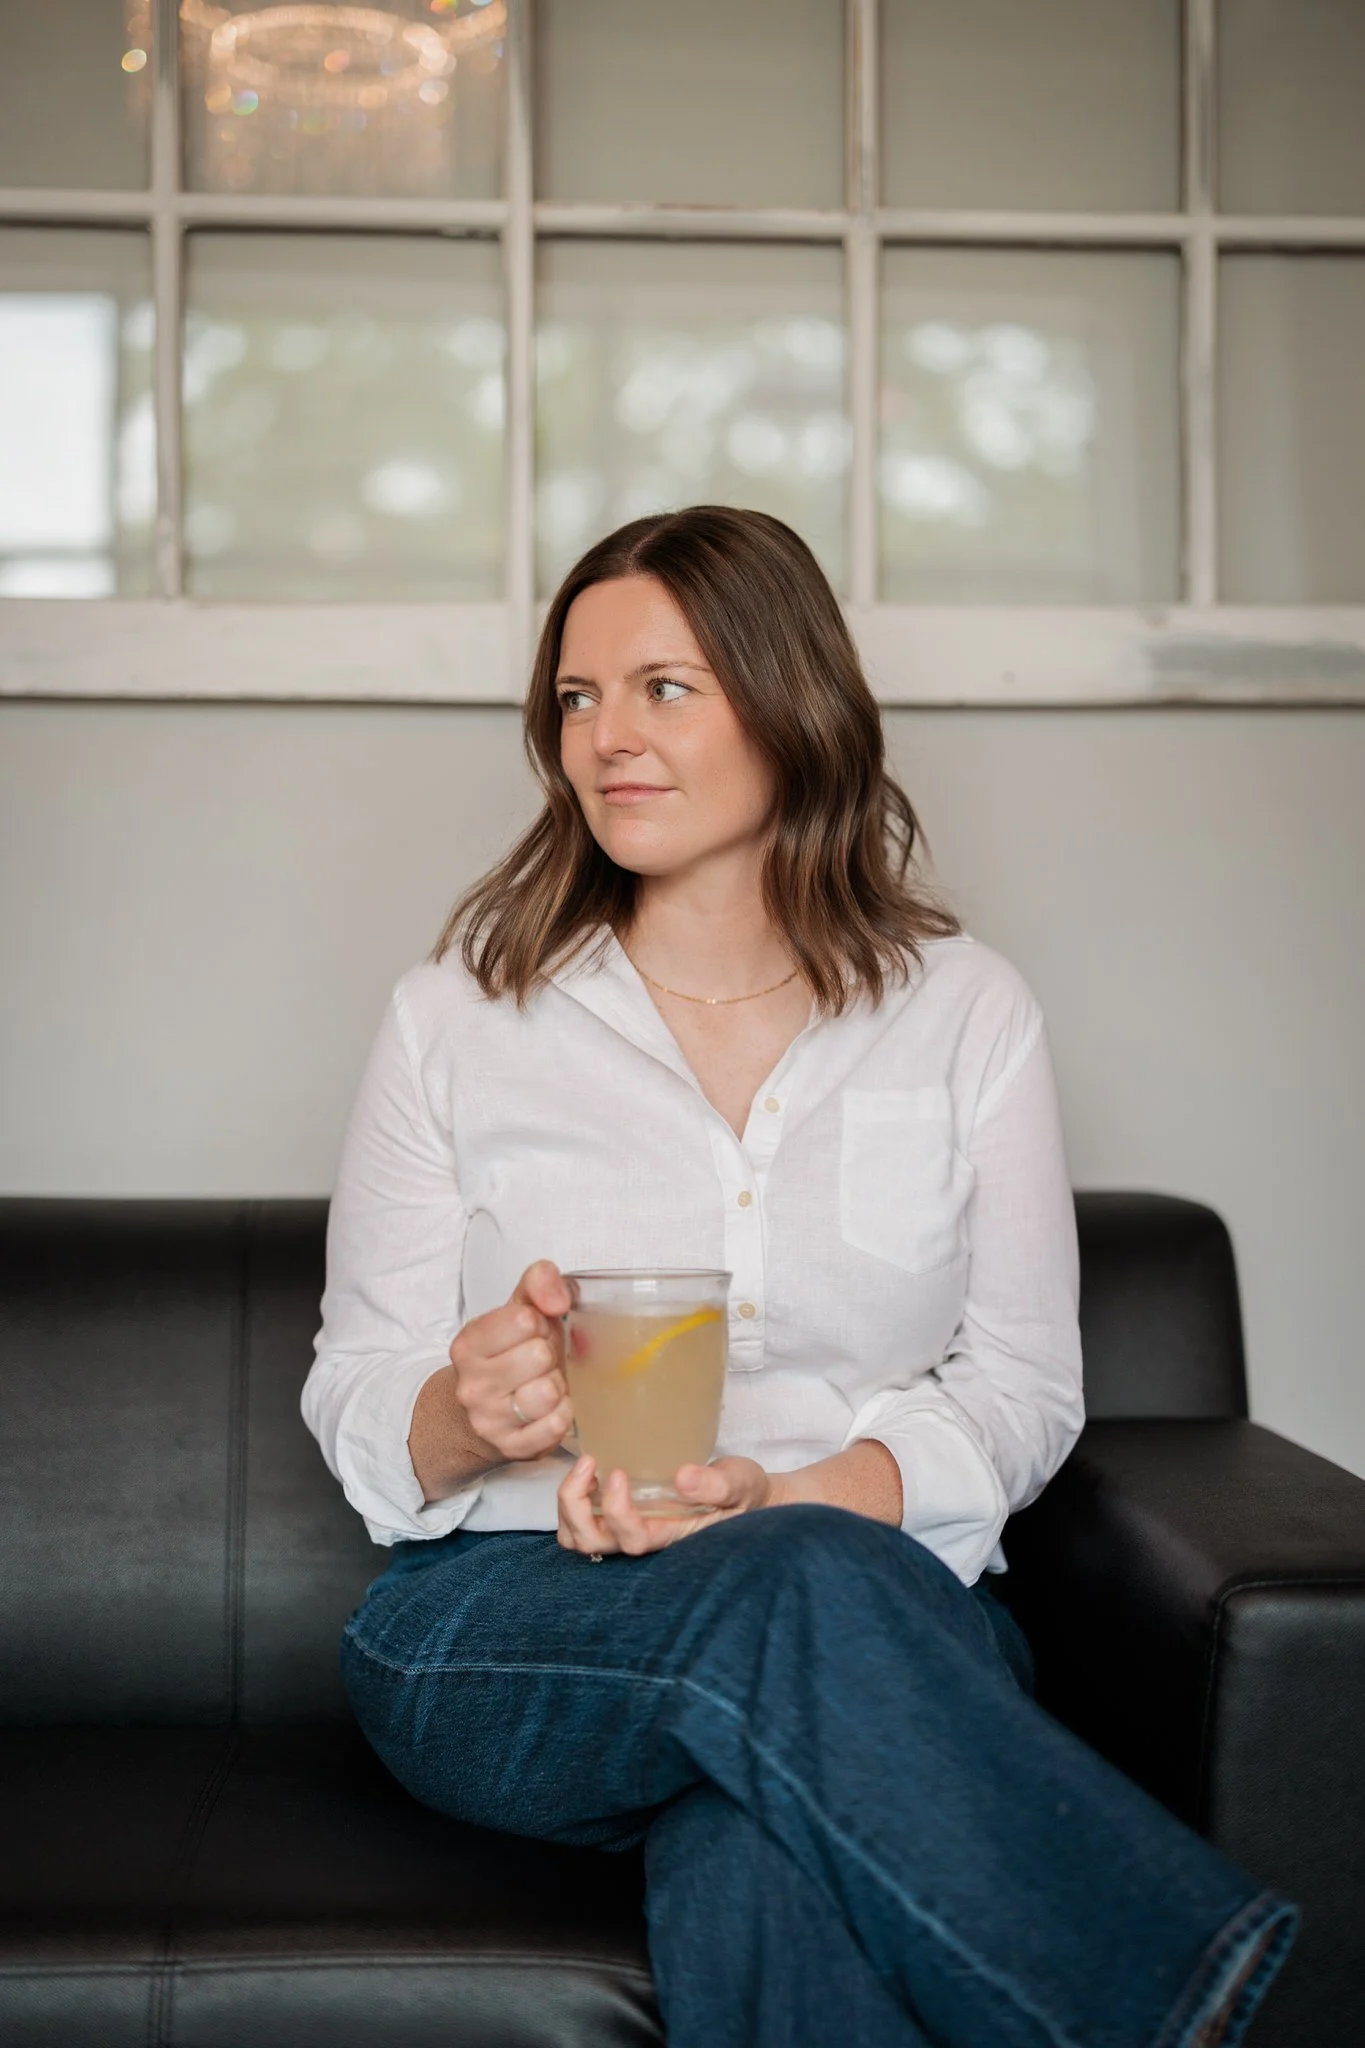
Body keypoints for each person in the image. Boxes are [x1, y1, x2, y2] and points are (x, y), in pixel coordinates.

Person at [304, 506, 1296, 2047]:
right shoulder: (459, 1017)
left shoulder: (962, 1013)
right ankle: (1185, 2006)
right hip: (511, 1616)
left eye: (663, 689)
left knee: (763, 1826)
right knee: (810, 1610)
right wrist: (460, 1407)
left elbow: (1024, 1389)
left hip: (867, 1618)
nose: (605, 739)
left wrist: (794, 1500)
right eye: (576, 698)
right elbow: (357, 1388)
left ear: (791, 701)